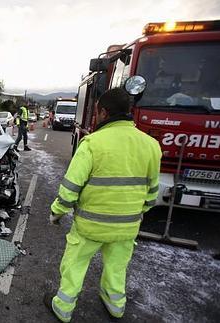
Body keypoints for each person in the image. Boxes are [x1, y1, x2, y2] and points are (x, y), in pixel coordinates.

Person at [47, 88, 162, 322]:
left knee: (75, 265)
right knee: (117, 268)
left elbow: (70, 190)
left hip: (90, 226)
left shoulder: (92, 144)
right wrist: (138, 214)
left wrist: (56, 212)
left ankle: (63, 308)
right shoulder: (151, 145)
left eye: (97, 111)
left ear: (103, 112)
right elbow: (152, 193)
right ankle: (115, 305)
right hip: (127, 228)